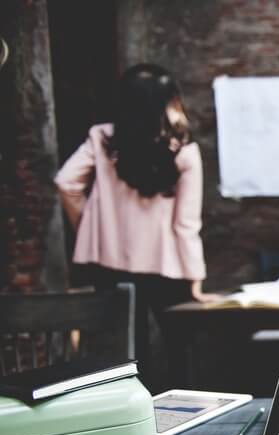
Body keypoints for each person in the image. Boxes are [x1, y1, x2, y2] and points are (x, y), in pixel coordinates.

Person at [55, 63, 216, 381]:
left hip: (109, 261)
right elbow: (186, 224)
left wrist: (88, 227)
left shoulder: (101, 139)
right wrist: (195, 278)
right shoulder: (183, 150)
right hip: (166, 264)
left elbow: (66, 182)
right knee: (179, 349)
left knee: (126, 353)